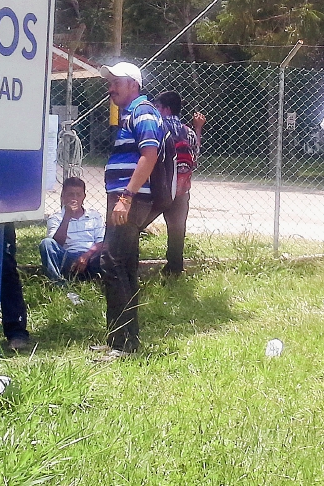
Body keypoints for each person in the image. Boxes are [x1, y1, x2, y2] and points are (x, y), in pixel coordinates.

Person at [100, 61, 163, 354]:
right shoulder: (132, 113)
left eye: (116, 83)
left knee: (112, 264)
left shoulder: (143, 111)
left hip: (129, 200)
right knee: (123, 266)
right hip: (127, 199)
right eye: (109, 83)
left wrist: (125, 197)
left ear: (133, 85)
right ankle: (121, 341)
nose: (110, 88)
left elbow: (149, 155)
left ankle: (123, 344)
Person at [147, 91, 205, 276]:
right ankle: (174, 270)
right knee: (177, 232)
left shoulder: (156, 127)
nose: (155, 110)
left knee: (136, 226)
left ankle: (127, 264)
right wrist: (198, 128)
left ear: (165, 109)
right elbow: (195, 157)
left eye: (157, 106)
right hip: (181, 190)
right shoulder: (187, 131)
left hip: (157, 189)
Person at [39, 177, 106, 286]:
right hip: (67, 257)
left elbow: (101, 242)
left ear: (84, 197)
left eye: (78, 195)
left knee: (107, 251)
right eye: (70, 194)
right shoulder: (56, 218)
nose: (74, 199)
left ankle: (99, 283)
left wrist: (86, 255)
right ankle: (57, 283)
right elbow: (56, 243)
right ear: (63, 196)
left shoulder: (95, 216)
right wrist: (67, 217)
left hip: (90, 257)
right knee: (46, 243)